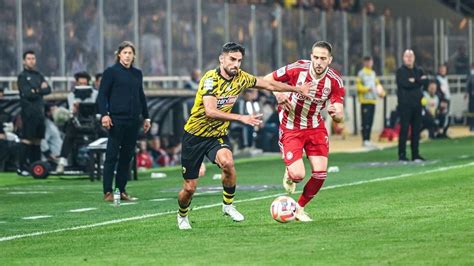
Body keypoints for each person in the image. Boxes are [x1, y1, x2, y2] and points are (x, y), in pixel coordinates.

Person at [177, 42, 311, 230]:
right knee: (189, 188)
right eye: (232, 59)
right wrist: (241, 118)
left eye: (239, 60)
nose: (236, 64)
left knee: (228, 163)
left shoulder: (241, 78)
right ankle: (182, 215)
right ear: (222, 59)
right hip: (194, 136)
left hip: (216, 135)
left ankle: (228, 205)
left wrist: (296, 90)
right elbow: (210, 111)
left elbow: (268, 84)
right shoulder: (210, 79)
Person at [264, 41, 345, 222]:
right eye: (315, 57)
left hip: (315, 126)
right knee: (298, 175)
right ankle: (290, 172)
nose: (318, 62)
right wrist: (278, 94)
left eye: (323, 58)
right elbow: (267, 79)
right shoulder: (298, 68)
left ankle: (299, 209)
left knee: (320, 173)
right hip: (291, 125)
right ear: (311, 57)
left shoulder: (334, 81)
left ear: (329, 60)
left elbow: (339, 113)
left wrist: (337, 114)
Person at [98, 41, 151, 202]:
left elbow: (141, 96)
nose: (128, 55)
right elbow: (102, 95)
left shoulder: (137, 73)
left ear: (134, 56)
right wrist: (104, 115)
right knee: (112, 156)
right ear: (119, 54)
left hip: (133, 120)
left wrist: (146, 116)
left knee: (127, 157)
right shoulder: (111, 72)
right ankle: (108, 191)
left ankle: (120, 190)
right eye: (125, 52)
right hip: (116, 120)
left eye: (130, 53)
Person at [17, 50, 51, 176]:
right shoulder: (22, 76)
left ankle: (34, 166)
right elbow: (27, 93)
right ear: (24, 61)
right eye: (29, 58)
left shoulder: (38, 75)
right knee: (27, 139)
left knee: (37, 140)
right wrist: (39, 89)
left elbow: (48, 89)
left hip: (39, 112)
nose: (31, 61)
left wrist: (36, 90)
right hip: (28, 113)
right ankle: (21, 167)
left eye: (33, 58)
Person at [55, 71, 98, 173]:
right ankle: (62, 162)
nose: (82, 86)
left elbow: (98, 110)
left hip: (92, 123)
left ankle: (102, 161)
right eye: (80, 84)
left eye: (84, 84)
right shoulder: (71, 96)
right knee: (69, 134)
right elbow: (71, 113)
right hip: (77, 124)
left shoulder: (96, 94)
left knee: (102, 133)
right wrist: (73, 110)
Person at [396, 49, 428, 162]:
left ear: (414, 58)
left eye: (411, 56)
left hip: (417, 104)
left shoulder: (418, 70)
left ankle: (415, 154)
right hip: (405, 105)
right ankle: (402, 155)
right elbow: (405, 84)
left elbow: (426, 82)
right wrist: (418, 81)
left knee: (416, 130)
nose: (409, 58)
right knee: (404, 130)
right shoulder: (400, 71)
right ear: (403, 58)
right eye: (406, 56)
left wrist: (415, 80)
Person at [356, 56, 385, 148]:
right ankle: (365, 140)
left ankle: (368, 139)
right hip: (365, 101)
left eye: (370, 61)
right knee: (365, 121)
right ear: (364, 63)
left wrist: (382, 93)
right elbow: (358, 87)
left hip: (372, 100)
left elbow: (378, 85)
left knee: (370, 121)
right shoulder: (361, 73)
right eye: (367, 62)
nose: (369, 63)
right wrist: (367, 89)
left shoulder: (373, 73)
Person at [435, 64, 450, 138]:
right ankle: (440, 132)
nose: (443, 71)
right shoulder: (437, 79)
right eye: (441, 69)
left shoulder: (445, 78)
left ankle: (444, 131)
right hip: (442, 100)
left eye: (444, 69)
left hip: (447, 99)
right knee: (442, 115)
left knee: (447, 115)